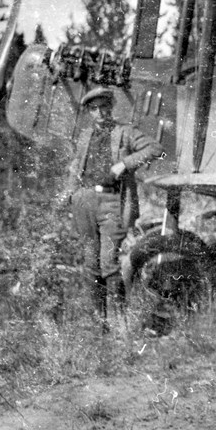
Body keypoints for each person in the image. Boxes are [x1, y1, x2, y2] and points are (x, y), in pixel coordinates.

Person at [66, 86, 161, 328]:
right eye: (95, 109)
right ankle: (100, 325)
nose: (101, 113)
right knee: (90, 264)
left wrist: (124, 164)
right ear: (89, 112)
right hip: (84, 200)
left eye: (105, 107)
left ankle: (120, 322)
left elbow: (155, 149)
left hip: (112, 201)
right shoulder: (85, 135)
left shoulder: (125, 132)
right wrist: (71, 193)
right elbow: (76, 165)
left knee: (108, 262)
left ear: (112, 107)